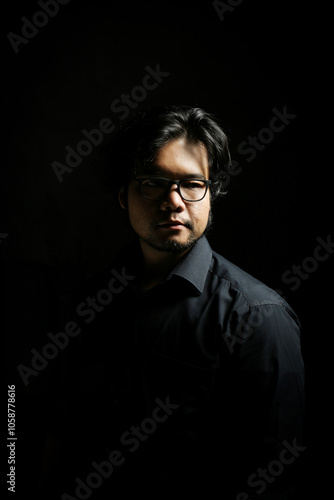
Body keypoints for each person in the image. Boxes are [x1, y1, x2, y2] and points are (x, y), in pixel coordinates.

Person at [40, 105, 305, 499]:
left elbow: (276, 474)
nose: (174, 200)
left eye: (192, 183)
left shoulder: (257, 317)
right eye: (153, 182)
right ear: (123, 196)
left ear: (211, 194)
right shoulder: (87, 302)